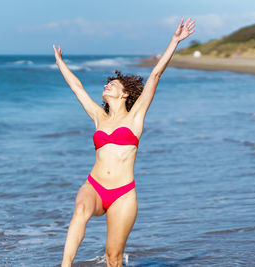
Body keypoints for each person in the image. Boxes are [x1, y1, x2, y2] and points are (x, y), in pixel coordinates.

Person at [53, 17, 195, 267]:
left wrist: (174, 41)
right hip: (94, 185)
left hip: (123, 194)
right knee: (80, 212)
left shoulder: (136, 117)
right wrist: (60, 63)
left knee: (113, 256)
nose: (106, 85)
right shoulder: (99, 116)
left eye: (113, 84)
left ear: (125, 93)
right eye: (106, 84)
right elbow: (77, 88)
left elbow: (155, 75)